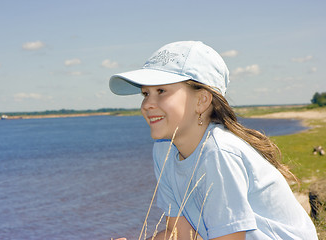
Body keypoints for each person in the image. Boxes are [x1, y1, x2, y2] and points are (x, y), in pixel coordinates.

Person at [109, 41, 318, 240]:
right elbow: (180, 234)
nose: (146, 104)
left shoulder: (219, 153)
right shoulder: (163, 152)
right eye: (145, 93)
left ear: (201, 100)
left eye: (161, 91)